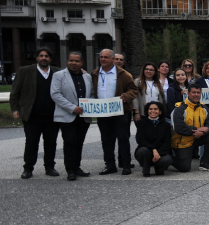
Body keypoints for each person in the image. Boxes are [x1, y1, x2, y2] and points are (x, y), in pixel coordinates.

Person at [11, 47, 60, 179]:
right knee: (32, 142)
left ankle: (50, 167)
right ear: (37, 58)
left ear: (50, 59)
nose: (44, 58)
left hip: (52, 115)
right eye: (41, 56)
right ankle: (28, 168)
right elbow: (15, 91)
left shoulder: (57, 72)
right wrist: (15, 109)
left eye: (46, 56)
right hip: (32, 115)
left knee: (51, 142)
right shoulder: (25, 71)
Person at [91, 49, 138, 176]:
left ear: (112, 59)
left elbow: (134, 90)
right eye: (101, 57)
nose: (103, 59)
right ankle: (110, 165)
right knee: (106, 140)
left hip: (120, 111)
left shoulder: (123, 74)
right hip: (103, 112)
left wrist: (126, 96)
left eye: (106, 57)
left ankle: (126, 165)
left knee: (123, 139)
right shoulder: (94, 74)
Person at [50, 52, 93, 181]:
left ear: (82, 63)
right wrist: (72, 108)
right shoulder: (58, 76)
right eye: (71, 60)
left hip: (83, 116)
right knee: (69, 142)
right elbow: (55, 94)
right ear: (67, 61)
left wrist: (89, 105)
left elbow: (91, 93)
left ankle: (77, 166)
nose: (73, 63)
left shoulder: (87, 77)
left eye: (76, 61)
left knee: (79, 142)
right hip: (67, 116)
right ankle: (70, 170)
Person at [171, 84, 209, 172]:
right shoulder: (179, 108)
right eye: (193, 92)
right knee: (185, 168)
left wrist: (204, 131)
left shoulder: (204, 108)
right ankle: (168, 157)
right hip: (182, 141)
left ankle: (205, 163)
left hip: (197, 138)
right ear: (188, 93)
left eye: (198, 93)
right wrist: (197, 130)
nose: (196, 94)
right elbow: (179, 128)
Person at [134, 101, 174, 177]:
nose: (153, 111)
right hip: (146, 151)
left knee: (168, 159)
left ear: (160, 112)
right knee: (143, 151)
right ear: (147, 111)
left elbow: (167, 142)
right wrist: (153, 150)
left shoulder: (166, 125)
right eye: (150, 109)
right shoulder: (141, 123)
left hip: (160, 153)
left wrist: (158, 154)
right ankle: (146, 169)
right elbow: (140, 140)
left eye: (155, 109)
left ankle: (159, 167)